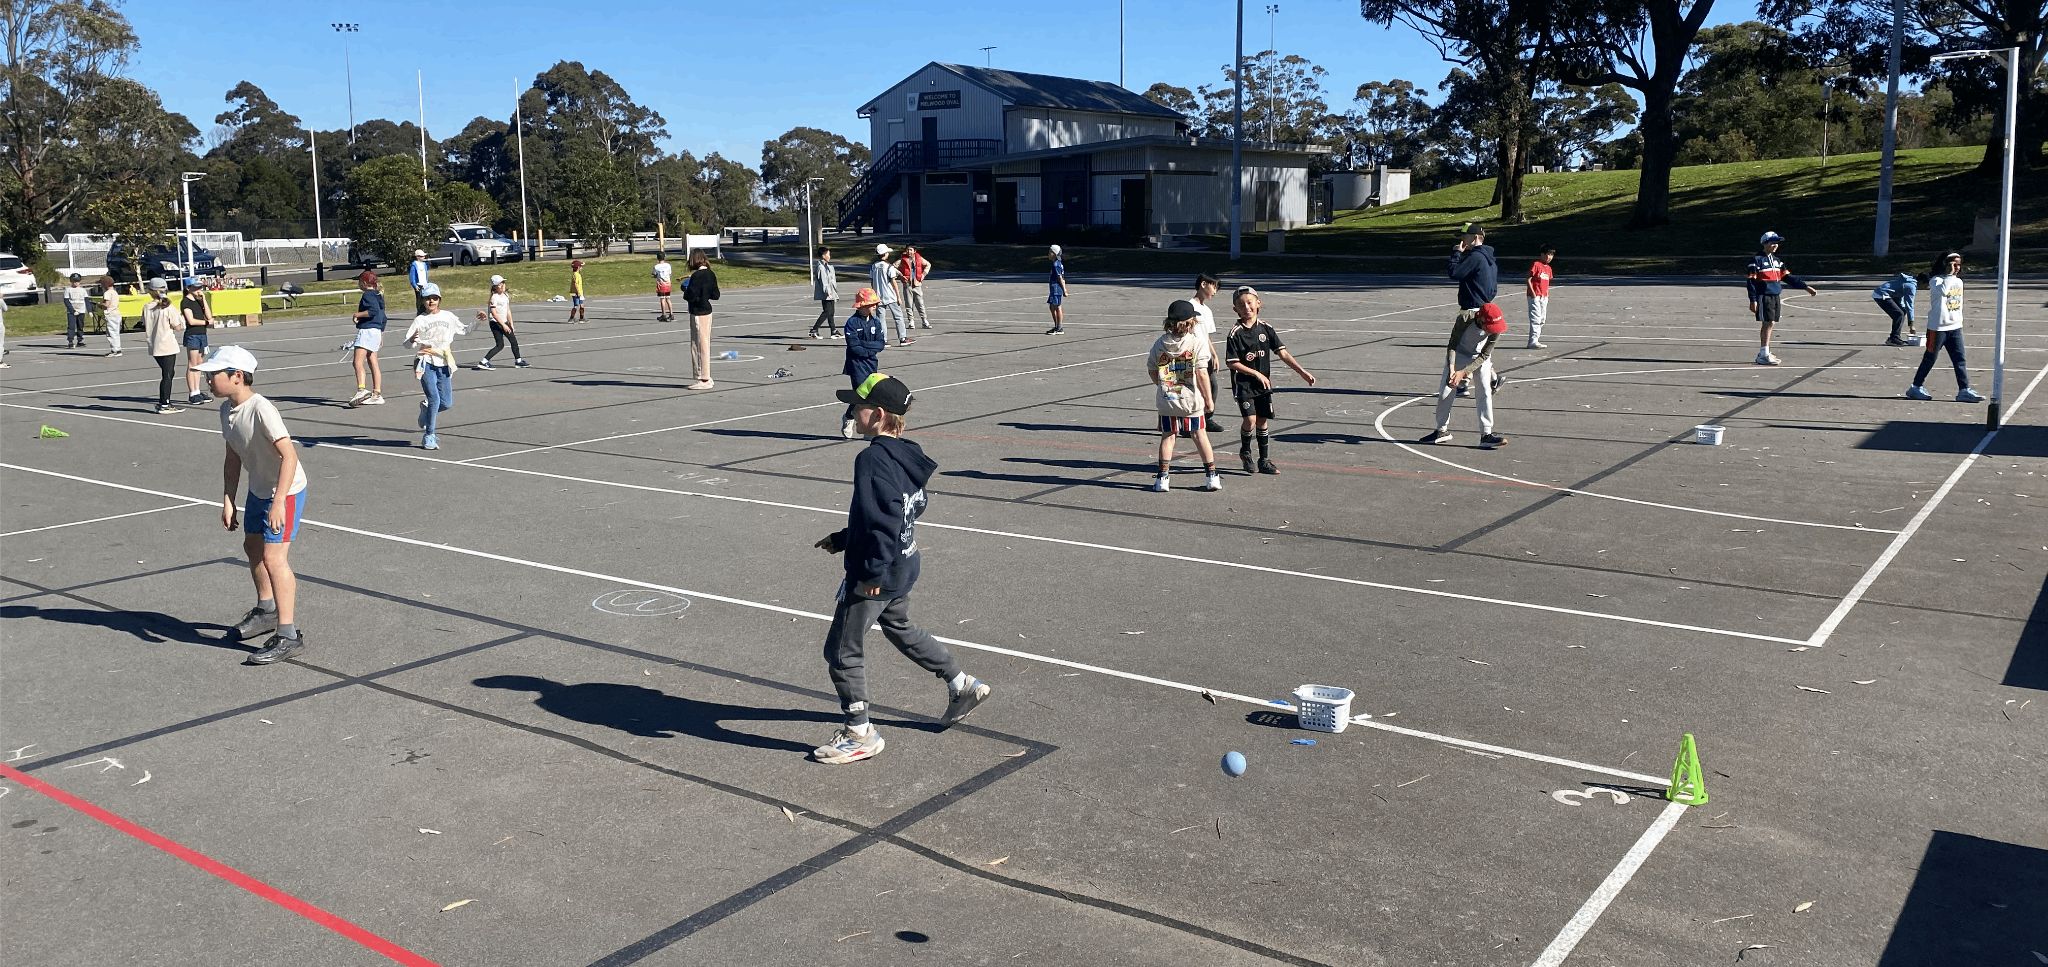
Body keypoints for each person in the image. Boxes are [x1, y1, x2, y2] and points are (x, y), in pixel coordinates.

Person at [811, 373, 990, 764]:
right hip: (904, 561)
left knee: (841, 651)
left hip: (879, 570)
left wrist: (870, 574)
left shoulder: (872, 459)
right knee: (900, 627)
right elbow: (899, 511)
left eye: (856, 407)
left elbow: (883, 522)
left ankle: (859, 733)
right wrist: (845, 537)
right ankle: (961, 684)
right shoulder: (906, 453)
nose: (851, 413)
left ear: (876, 414)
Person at [200, 345, 309, 666]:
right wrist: (228, 499)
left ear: (236, 377)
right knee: (252, 547)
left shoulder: (262, 409)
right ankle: (266, 610)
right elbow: (233, 457)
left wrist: (278, 503)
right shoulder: (226, 411)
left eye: (213, 374)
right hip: (260, 489)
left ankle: (288, 634)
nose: (208, 380)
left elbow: (290, 456)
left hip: (285, 491)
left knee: (275, 558)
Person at [1225, 287, 1317, 474]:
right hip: (1244, 385)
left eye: (1250, 302)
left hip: (1263, 385)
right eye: (1241, 305)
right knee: (1250, 420)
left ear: (1259, 303)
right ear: (1235, 309)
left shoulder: (1266, 328)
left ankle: (1264, 460)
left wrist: (1302, 372)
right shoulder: (1235, 333)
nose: (1246, 307)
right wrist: (1256, 373)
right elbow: (1232, 362)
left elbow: (1282, 352)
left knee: (1262, 420)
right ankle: (1245, 451)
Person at [1148, 300, 1222, 493]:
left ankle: (1163, 478)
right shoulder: (1196, 343)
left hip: (1168, 398)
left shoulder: (1159, 344)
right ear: (1191, 323)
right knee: (1200, 435)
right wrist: (1209, 400)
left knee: (1168, 437)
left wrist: (1163, 385)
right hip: (1192, 400)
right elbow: (1202, 373)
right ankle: (1212, 476)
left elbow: (1152, 369)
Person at [1419, 302, 1509, 449]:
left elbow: (1485, 354)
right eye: (1489, 327)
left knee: (1485, 392)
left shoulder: (1496, 326)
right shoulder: (1465, 318)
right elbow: (1452, 345)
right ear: (1480, 319)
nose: (1492, 331)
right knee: (1445, 392)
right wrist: (1452, 369)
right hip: (1459, 354)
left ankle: (1486, 434)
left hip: (1480, 358)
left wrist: (1464, 373)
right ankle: (1441, 431)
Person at [1905, 252, 1985, 404]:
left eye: (1958, 264)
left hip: (1955, 327)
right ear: (1945, 264)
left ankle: (1964, 390)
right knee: (1930, 358)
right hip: (1937, 328)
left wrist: (1959, 321)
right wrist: (1948, 276)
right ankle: (1915, 387)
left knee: (1959, 360)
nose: (1956, 267)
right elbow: (1942, 292)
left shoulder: (1959, 282)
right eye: (1953, 264)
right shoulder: (1936, 280)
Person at [404, 283, 465, 449]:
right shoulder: (420, 320)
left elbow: (464, 330)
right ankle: (429, 435)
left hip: (444, 362)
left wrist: (478, 321)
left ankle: (426, 410)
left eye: (434, 298)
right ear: (423, 301)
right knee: (434, 399)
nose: (431, 301)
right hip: (425, 362)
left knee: (446, 402)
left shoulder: (448, 316)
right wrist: (412, 340)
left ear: (439, 300)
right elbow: (407, 344)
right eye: (427, 298)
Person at [1744, 230, 1819, 366]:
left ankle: (1764, 352)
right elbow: (1751, 281)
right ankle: (1764, 354)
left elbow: (1788, 277)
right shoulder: (1756, 260)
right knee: (1767, 322)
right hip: (1764, 295)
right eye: (1773, 242)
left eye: (1777, 243)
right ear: (1765, 243)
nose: (1775, 245)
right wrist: (1753, 299)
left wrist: (1805, 287)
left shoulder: (1777, 261)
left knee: (1771, 322)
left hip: (1775, 295)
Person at [840, 287, 887, 438]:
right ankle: (851, 419)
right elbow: (854, 347)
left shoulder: (876, 322)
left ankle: (855, 418)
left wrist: (866, 347)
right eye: (872, 304)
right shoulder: (852, 323)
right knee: (862, 395)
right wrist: (867, 348)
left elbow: (880, 344)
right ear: (863, 305)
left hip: (871, 364)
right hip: (856, 364)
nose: (874, 307)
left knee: (870, 394)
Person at [346, 270, 387, 407]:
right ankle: (377, 393)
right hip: (375, 331)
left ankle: (361, 389)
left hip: (367, 331)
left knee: (357, 362)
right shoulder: (378, 295)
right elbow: (383, 317)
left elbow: (373, 311)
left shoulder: (368, 295)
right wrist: (381, 333)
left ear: (363, 283)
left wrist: (358, 314)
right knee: (372, 361)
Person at [1189, 273, 1223, 431]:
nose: (1215, 291)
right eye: (1214, 286)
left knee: (1213, 386)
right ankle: (1188, 423)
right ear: (1203, 284)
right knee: (1193, 389)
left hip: (1206, 355)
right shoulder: (1189, 307)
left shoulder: (1207, 310)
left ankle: (1207, 418)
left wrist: (1214, 354)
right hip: (1192, 356)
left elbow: (1206, 335)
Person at [143, 280, 181, 413]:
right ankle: (164, 403)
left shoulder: (147, 307)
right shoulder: (168, 308)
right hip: (167, 344)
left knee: (168, 372)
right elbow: (178, 326)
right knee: (168, 374)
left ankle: (164, 402)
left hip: (154, 344)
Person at [684, 250, 721, 390]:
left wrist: (686, 289)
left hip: (698, 312)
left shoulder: (697, 276)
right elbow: (715, 295)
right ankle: (707, 376)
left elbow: (691, 296)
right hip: (708, 311)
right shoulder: (711, 274)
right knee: (704, 343)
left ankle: (703, 378)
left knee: (698, 345)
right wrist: (704, 292)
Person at [474, 275, 527, 370]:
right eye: (499, 284)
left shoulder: (505, 296)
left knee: (507, 343)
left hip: (504, 322)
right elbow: (494, 313)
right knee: (504, 343)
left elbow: (508, 311)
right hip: (496, 323)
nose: (502, 285)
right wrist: (503, 325)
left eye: (503, 283)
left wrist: (511, 323)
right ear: (495, 286)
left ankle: (484, 361)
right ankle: (517, 361)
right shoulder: (494, 298)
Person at [180, 278, 213, 404]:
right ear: (189, 288)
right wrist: (206, 322)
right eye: (196, 287)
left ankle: (198, 390)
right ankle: (192, 392)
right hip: (193, 335)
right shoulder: (185, 302)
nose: (199, 290)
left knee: (199, 363)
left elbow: (209, 316)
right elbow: (191, 321)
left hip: (202, 334)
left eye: (200, 287)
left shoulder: (199, 301)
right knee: (192, 364)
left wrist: (203, 300)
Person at [870, 244, 910, 345]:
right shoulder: (888, 267)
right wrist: (898, 296)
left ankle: (883, 339)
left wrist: (874, 294)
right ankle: (902, 338)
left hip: (878, 296)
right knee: (898, 317)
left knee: (881, 319)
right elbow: (893, 282)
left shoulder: (874, 266)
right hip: (890, 296)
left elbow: (872, 281)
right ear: (885, 254)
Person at [1872, 270, 1920, 346]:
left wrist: (1903, 308)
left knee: (1902, 312)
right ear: (1922, 282)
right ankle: (1893, 338)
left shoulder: (1908, 281)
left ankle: (1895, 337)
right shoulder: (1911, 287)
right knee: (1899, 314)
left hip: (1888, 294)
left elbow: (1900, 296)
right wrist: (1911, 325)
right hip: (1881, 295)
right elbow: (1910, 305)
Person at [1526, 245, 1555, 349]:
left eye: (1552, 255)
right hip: (1535, 296)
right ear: (1542, 254)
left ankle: (1536, 339)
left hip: (1544, 296)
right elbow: (1528, 279)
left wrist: (1546, 294)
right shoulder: (1536, 264)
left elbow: (1547, 282)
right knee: (1536, 318)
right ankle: (1532, 341)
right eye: (1548, 254)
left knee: (1542, 319)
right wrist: (1533, 293)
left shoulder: (1549, 268)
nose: (1550, 257)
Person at [809, 246, 841, 338]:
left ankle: (833, 331)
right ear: (823, 255)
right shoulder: (821, 267)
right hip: (826, 293)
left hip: (831, 292)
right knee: (827, 312)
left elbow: (831, 280)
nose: (829, 256)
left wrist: (834, 291)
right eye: (828, 254)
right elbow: (824, 281)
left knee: (831, 312)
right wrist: (828, 292)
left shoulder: (828, 266)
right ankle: (814, 329)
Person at [899, 244, 932, 331]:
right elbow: (894, 267)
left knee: (920, 304)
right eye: (907, 250)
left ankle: (924, 321)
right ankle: (911, 321)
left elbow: (928, 265)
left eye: (910, 250)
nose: (909, 252)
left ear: (915, 251)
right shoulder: (902, 259)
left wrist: (923, 275)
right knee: (909, 304)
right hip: (907, 285)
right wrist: (901, 276)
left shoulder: (919, 259)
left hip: (917, 284)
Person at [1045, 244, 1068, 335]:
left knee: (1057, 307)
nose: (1048, 254)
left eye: (1050, 252)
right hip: (1054, 289)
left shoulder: (1056, 265)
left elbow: (1060, 278)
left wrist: (1064, 290)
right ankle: (1057, 326)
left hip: (1056, 289)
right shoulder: (1057, 263)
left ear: (1054, 253)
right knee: (1052, 307)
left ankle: (1059, 328)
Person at [62, 273, 89, 348]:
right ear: (71, 281)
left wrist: (90, 311)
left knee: (80, 325)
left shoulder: (83, 290)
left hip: (81, 310)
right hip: (72, 312)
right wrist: (73, 310)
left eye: (77, 281)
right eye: (74, 281)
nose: (75, 283)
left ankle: (80, 340)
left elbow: (86, 300)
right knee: (71, 326)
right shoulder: (68, 290)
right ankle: (70, 341)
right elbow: (66, 301)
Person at [101, 278, 124, 357]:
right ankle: (118, 349)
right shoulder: (115, 292)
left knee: (111, 333)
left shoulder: (107, 293)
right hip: (117, 313)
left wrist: (99, 304)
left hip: (111, 314)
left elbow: (106, 305)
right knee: (116, 332)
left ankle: (115, 350)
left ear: (105, 285)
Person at [653, 253, 676, 322]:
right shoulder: (668, 265)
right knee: (668, 298)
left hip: (661, 284)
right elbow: (670, 273)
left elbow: (654, 274)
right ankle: (671, 314)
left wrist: (656, 276)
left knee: (662, 299)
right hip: (668, 284)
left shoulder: (656, 267)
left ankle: (664, 314)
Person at [408, 249, 431, 315]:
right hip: (418, 285)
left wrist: (427, 283)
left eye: (424, 256)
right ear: (418, 257)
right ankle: (419, 312)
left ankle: (425, 311)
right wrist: (414, 285)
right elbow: (412, 276)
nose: (423, 257)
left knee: (425, 298)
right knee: (419, 299)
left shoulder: (424, 264)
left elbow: (425, 275)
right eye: (422, 256)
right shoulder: (414, 265)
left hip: (425, 284)